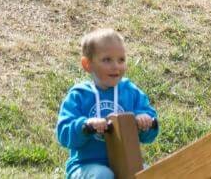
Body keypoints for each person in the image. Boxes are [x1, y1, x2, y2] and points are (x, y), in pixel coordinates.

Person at [56, 28, 159, 179]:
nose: (115, 66)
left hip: (127, 162)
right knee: (103, 175)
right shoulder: (79, 95)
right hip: (86, 166)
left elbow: (149, 135)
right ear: (87, 64)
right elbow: (64, 134)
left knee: (148, 174)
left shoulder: (131, 92)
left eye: (121, 60)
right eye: (107, 60)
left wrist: (145, 122)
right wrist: (85, 126)